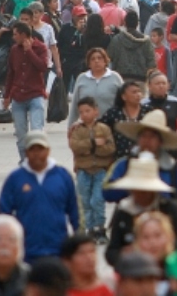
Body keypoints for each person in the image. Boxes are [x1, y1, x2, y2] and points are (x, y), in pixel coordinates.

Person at [0, 131, 80, 264]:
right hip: (26, 253)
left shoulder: (63, 176)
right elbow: (3, 214)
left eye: (40, 149)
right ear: (26, 152)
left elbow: (75, 211)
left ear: (48, 150)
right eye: (32, 149)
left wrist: (79, 241)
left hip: (58, 251)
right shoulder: (15, 179)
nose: (36, 154)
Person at [105, 152, 177, 267]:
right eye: (137, 188)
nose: (140, 193)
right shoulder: (124, 211)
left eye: (145, 189)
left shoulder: (172, 210)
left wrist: (165, 249)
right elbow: (111, 251)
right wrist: (123, 255)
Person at [68, 97, 116, 244]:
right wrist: (94, 144)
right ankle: (88, 230)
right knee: (84, 201)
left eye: (87, 111)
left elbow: (110, 148)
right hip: (83, 170)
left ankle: (100, 228)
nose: (84, 114)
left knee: (97, 200)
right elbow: (75, 146)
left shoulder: (103, 128)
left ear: (96, 111)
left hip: (101, 169)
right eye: (81, 112)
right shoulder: (77, 130)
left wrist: (90, 150)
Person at [3, 22, 50, 160]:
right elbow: (11, 73)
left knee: (36, 132)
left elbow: (42, 66)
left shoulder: (40, 47)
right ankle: (25, 161)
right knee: (21, 134)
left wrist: (29, 51)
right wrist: (7, 95)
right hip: (18, 96)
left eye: (15, 34)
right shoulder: (14, 50)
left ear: (24, 35)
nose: (13, 37)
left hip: (35, 94)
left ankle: (37, 160)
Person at [67, 48, 124, 127]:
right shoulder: (82, 78)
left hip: (111, 125)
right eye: (93, 59)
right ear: (89, 63)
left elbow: (124, 102)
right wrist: (71, 127)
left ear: (105, 61)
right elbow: (75, 106)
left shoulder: (115, 78)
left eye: (99, 58)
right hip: (87, 126)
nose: (96, 61)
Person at [108, 10, 157, 83]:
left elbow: (109, 58)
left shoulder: (117, 39)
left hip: (120, 78)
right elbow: (151, 63)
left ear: (125, 23)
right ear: (137, 24)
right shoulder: (146, 41)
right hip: (141, 79)